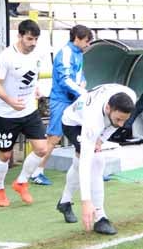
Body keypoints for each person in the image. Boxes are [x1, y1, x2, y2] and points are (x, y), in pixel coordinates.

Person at [57, 84, 136, 235]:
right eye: (118, 119)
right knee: (95, 161)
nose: (121, 124)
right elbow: (86, 163)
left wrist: (102, 138)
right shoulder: (93, 120)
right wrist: (86, 201)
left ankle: (64, 202)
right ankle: (100, 217)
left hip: (95, 120)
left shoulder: (129, 96)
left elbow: (116, 124)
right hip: (73, 123)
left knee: (81, 161)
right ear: (108, 108)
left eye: (124, 120)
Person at [0, 19, 49, 207]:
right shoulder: (6, 57)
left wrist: (37, 88)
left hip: (29, 111)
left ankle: (21, 182)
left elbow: (33, 75)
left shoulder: (38, 53)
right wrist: (10, 101)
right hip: (7, 114)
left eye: (35, 39)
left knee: (41, 148)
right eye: (29, 39)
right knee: (5, 155)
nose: (32, 43)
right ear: (20, 36)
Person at [30, 25, 92, 186]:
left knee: (85, 133)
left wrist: (83, 81)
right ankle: (37, 172)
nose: (88, 44)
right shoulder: (65, 53)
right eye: (86, 41)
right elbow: (64, 80)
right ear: (77, 39)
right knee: (54, 137)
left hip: (73, 99)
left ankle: (88, 171)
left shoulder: (78, 53)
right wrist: (82, 92)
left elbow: (78, 73)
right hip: (61, 100)